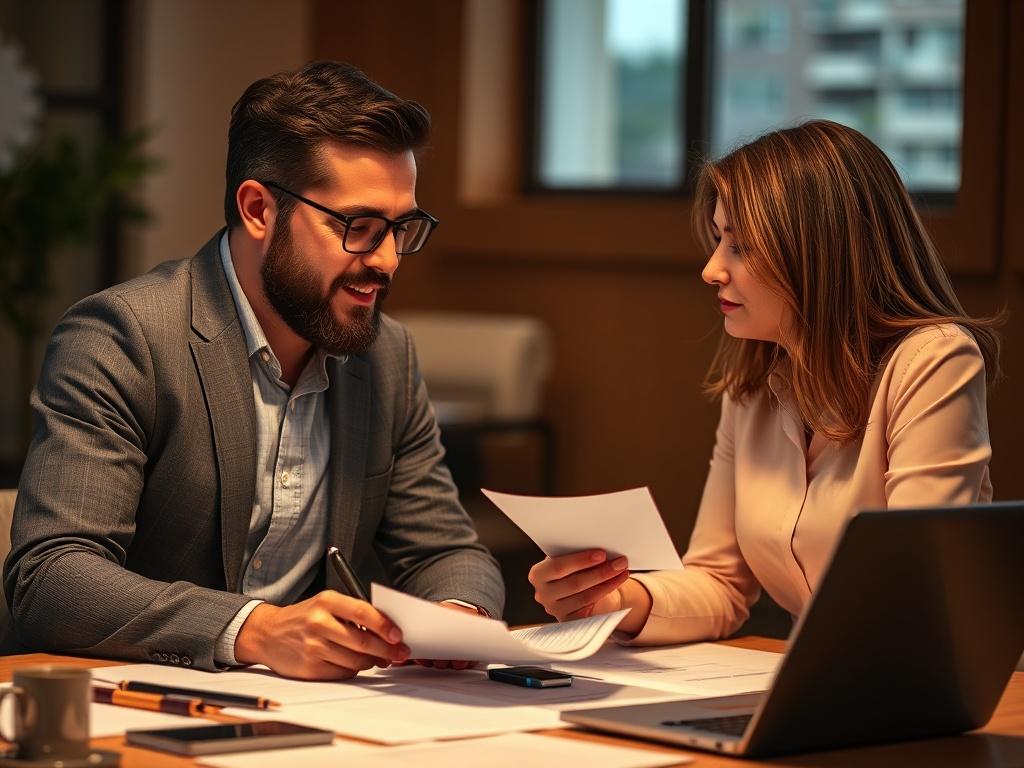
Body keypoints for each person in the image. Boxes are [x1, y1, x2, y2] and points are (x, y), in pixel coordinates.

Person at [3, 61, 504, 679]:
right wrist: (257, 629)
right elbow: (53, 578)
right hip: (140, 697)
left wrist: (457, 615)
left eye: (401, 228)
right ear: (259, 209)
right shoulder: (123, 338)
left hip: (321, 705)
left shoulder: (386, 357)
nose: (388, 260)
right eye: (359, 227)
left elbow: (445, 551)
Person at [529, 120, 999, 644]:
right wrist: (612, 599)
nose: (711, 270)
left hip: (921, 674)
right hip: (824, 675)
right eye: (718, 240)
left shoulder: (933, 360)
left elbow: (914, 590)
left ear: (821, 251)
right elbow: (719, 583)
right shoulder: (755, 382)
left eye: (742, 246)